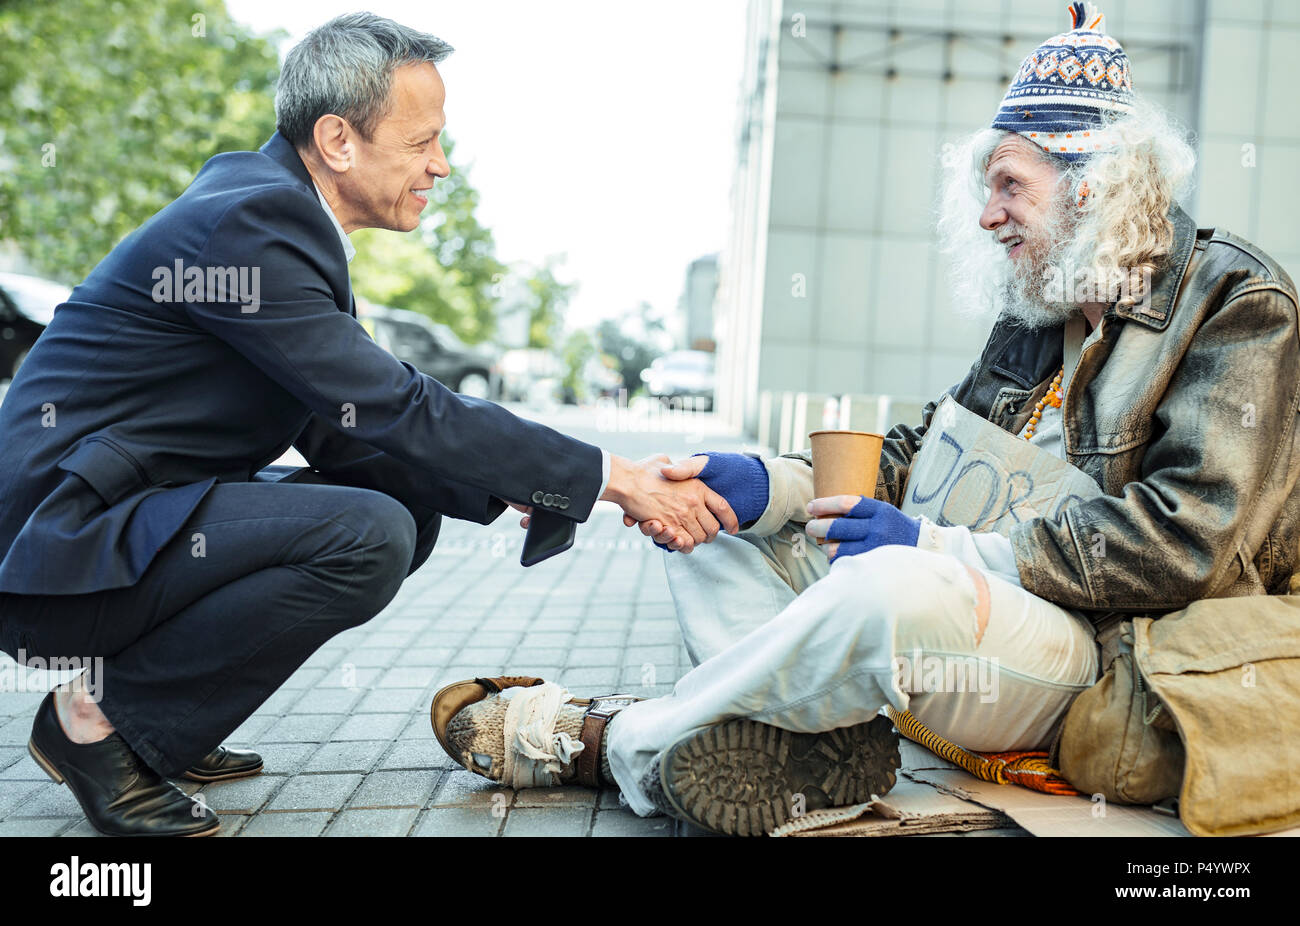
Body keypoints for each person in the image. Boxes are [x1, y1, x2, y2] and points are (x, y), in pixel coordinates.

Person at [440, 2, 1300, 836]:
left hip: (1105, 656)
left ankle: (615, 742)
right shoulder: (1043, 309)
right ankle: (806, 754)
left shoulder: (1237, 302)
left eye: (1009, 184)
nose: (986, 213)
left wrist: (936, 549)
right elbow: (917, 461)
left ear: (1094, 188)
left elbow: (1189, 540)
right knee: (713, 533)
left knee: (888, 585)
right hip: (964, 611)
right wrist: (760, 487)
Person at [0, 13, 735, 837]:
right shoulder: (251, 226)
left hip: (112, 528)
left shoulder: (273, 212)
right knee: (366, 533)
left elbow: (344, 430)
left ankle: (165, 722)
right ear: (338, 139)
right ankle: (95, 722)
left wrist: (523, 486)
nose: (441, 164)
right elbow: (392, 402)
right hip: (53, 556)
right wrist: (616, 477)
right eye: (422, 141)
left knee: (400, 512)